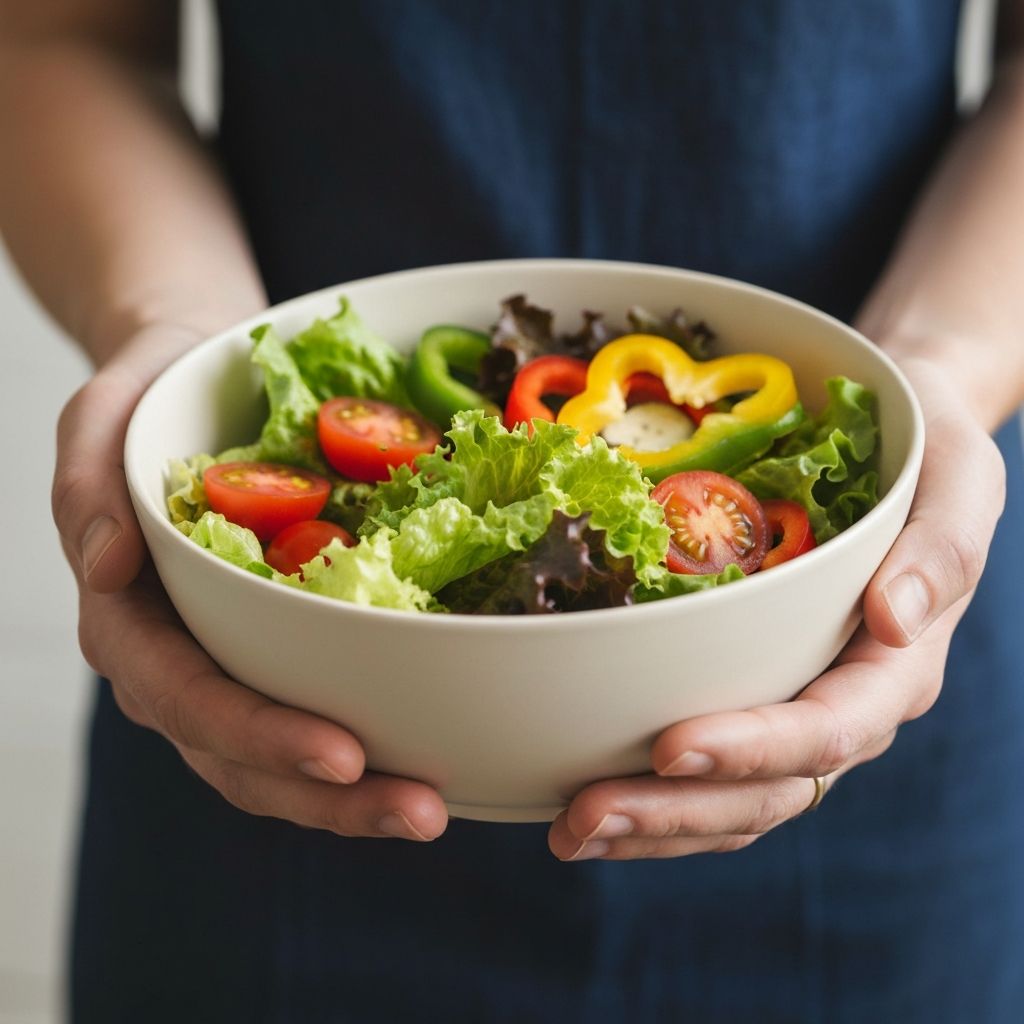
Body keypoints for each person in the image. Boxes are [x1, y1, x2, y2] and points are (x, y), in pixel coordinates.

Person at [2, 1, 1023, 1020]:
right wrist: (180, 335)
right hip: (278, 716)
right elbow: (57, 35)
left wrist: (934, 370)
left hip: (851, 693)